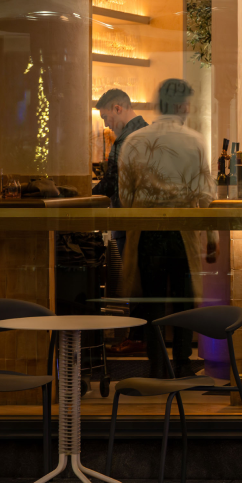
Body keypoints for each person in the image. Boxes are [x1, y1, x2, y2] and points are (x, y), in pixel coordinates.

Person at [118, 78, 218, 377]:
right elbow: (205, 196)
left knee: (152, 301)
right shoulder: (194, 140)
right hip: (182, 232)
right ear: (183, 105)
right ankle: (183, 363)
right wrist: (211, 237)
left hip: (146, 231)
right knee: (184, 301)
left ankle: (157, 364)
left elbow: (125, 196)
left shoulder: (134, 140)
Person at [93, 89, 150, 353]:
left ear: (118, 109)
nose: (106, 124)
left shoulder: (124, 141)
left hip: (128, 219)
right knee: (147, 283)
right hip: (149, 221)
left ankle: (138, 339)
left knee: (134, 283)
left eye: (106, 117)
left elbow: (111, 184)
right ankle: (146, 339)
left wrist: (86, 192)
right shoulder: (150, 133)